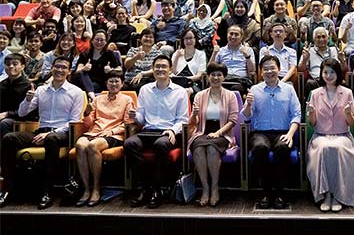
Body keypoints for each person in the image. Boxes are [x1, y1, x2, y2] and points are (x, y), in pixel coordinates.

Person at [0, 56, 84, 209]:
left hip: (62, 134)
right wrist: (27, 100)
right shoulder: (40, 89)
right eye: (57, 66)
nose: (59, 70)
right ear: (52, 68)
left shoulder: (76, 92)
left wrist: (49, 134)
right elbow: (22, 113)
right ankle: (7, 189)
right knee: (9, 138)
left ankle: (48, 191)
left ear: (69, 71)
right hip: (40, 130)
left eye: (63, 67)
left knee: (51, 139)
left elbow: (73, 121)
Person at [124, 55, 189, 209]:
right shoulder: (145, 89)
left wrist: (172, 130)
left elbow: (183, 119)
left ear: (170, 69)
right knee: (129, 143)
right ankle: (145, 187)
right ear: (153, 70)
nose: (160, 69)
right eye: (157, 66)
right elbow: (141, 118)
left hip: (168, 132)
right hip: (148, 131)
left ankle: (156, 189)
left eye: (163, 66)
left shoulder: (180, 91)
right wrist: (135, 116)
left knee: (161, 145)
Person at [243, 55, 301, 209]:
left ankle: (280, 193)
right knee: (260, 148)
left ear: (279, 70)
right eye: (265, 69)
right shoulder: (255, 90)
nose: (269, 71)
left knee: (282, 148)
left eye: (272, 68)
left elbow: (296, 114)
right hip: (260, 133)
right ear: (261, 72)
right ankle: (266, 192)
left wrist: (290, 134)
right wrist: (248, 105)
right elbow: (246, 117)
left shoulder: (289, 89)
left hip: (283, 132)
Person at [307, 58, 354, 212]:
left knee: (337, 148)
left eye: (332, 72)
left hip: (343, 136)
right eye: (325, 72)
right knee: (324, 147)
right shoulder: (315, 94)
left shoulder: (348, 92)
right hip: (321, 136)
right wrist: (311, 113)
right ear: (321, 73)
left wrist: (347, 113)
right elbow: (312, 123)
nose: (328, 75)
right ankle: (326, 194)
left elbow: (351, 123)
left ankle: (339, 194)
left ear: (338, 73)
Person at [74, 70, 132, 207]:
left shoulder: (127, 100)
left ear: (122, 84)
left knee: (92, 146)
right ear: (106, 83)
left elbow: (128, 123)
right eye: (111, 81)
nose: (113, 84)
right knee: (80, 145)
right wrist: (87, 112)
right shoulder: (98, 99)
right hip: (95, 131)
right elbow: (88, 124)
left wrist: (112, 130)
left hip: (114, 134)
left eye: (117, 81)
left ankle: (96, 188)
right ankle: (86, 188)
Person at [188, 62, 238, 207]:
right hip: (202, 131)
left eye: (219, 75)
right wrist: (194, 115)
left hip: (223, 132)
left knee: (211, 148)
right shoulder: (199, 95)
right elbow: (193, 121)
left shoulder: (230, 96)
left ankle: (215, 188)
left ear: (224, 77)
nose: (216, 78)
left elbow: (233, 120)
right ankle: (205, 188)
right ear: (208, 77)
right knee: (197, 148)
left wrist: (218, 133)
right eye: (213, 75)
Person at [211, 25, 255, 93]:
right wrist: (214, 53)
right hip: (223, 80)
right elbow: (210, 69)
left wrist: (246, 56)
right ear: (227, 35)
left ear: (241, 37)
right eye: (231, 34)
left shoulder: (248, 50)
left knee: (234, 89)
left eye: (236, 34)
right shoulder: (220, 50)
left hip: (240, 80)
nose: (233, 37)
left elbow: (252, 70)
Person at [0, 53, 34, 139]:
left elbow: (30, 112)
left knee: (4, 123)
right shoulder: (1, 84)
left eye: (15, 64)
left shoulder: (28, 86)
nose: (11, 66)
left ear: (22, 66)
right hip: (2, 116)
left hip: (20, 120)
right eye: (8, 64)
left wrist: (8, 114)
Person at [171, 28, 206, 95]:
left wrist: (185, 79)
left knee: (186, 91)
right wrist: (177, 57)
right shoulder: (177, 53)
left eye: (191, 38)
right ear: (183, 40)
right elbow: (174, 72)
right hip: (176, 81)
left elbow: (199, 76)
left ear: (195, 39)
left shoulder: (201, 54)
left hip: (192, 82)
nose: (188, 41)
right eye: (186, 38)